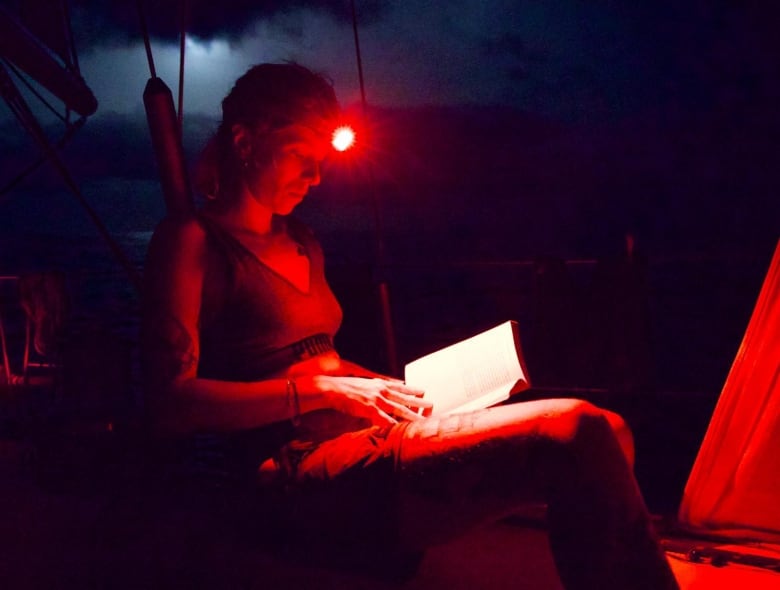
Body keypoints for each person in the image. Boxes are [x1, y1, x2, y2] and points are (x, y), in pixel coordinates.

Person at [141, 62, 679, 590]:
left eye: (321, 161)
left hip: (359, 436)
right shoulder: (192, 241)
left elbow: (321, 358)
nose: (316, 177)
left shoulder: (304, 241)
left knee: (613, 429)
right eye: (300, 156)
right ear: (243, 142)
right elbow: (170, 402)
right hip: (288, 466)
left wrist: (388, 390)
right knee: (575, 429)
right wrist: (318, 391)